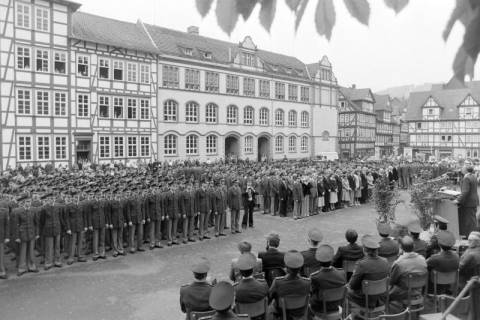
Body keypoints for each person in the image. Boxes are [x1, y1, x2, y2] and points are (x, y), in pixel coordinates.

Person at [347, 235, 390, 309]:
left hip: (365, 300)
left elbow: (352, 285)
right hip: (381, 297)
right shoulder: (385, 261)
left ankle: (350, 316)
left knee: (346, 290)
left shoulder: (362, 264)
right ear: (377, 250)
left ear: (364, 250)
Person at [268, 250, 311, 320]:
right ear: (300, 268)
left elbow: (269, 294)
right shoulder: (307, 282)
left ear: (286, 268)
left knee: (271, 305)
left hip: (283, 312)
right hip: (300, 311)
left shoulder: (278, 281)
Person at [309, 244, 346, 316]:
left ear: (319, 261)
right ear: (332, 259)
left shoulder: (315, 277)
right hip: (336, 306)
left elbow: (312, 293)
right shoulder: (342, 273)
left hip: (320, 308)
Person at [389, 236, 428, 302]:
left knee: (385, 292)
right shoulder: (422, 259)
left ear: (400, 247)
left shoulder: (398, 263)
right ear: (414, 246)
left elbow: (392, 281)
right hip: (419, 290)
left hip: (403, 292)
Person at [233, 253, 269, 319]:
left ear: (240, 272)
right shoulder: (263, 284)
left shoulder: (235, 288)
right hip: (260, 314)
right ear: (252, 270)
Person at [454, 164, 479, 237]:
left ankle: (470, 236)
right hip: (473, 201)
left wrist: (458, 200)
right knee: (472, 219)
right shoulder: (473, 176)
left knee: (469, 221)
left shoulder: (466, 178)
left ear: (466, 170)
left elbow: (465, 192)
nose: (461, 169)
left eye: (462, 168)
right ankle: (472, 235)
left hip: (469, 202)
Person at [0, 200, 10, 279]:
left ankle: (2, 271)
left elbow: (7, 225)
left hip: (1, 236)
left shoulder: (4, 212)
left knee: (1, 254)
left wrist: (7, 237)